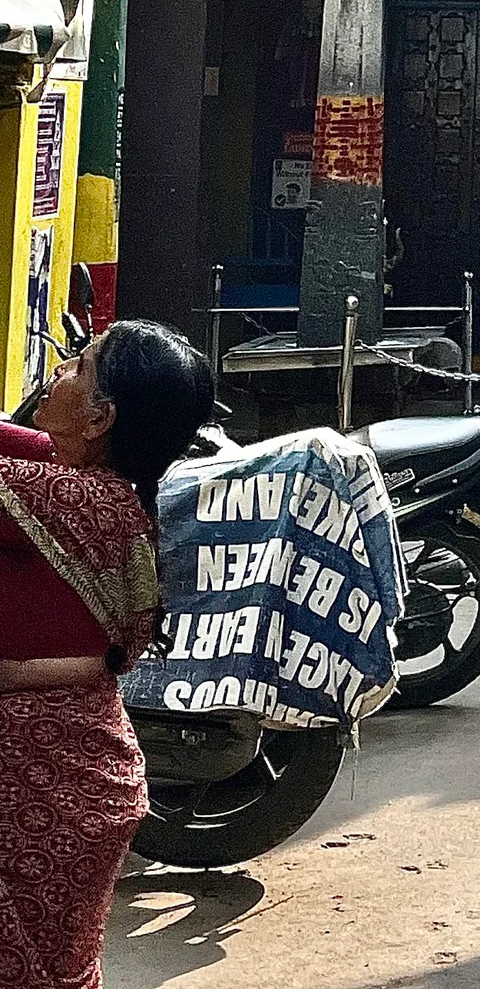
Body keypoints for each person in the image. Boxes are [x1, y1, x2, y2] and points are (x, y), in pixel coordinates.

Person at [0, 320, 214, 987]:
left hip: (39, 788)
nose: (58, 370)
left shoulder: (71, 499)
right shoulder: (100, 485)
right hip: (71, 778)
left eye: (78, 365)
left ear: (99, 417)